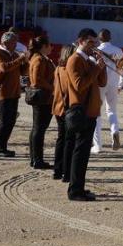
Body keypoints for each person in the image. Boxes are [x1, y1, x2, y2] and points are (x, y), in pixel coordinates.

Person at [65, 28, 107, 201]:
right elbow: (79, 85)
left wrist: (100, 67)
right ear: (80, 41)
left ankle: (79, 188)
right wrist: (96, 68)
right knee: (80, 153)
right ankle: (75, 190)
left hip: (89, 111)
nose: (94, 45)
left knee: (83, 154)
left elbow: (102, 82)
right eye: (90, 42)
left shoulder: (88, 60)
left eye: (95, 42)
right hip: (81, 110)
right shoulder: (74, 60)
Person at [0, 32, 29, 157]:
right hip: (3, 92)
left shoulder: (13, 54)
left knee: (11, 121)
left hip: (14, 92)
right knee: (5, 121)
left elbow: (22, 71)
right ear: (5, 42)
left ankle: (3, 146)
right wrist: (20, 59)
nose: (15, 45)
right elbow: (3, 67)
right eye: (13, 42)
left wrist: (26, 62)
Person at [92, 29, 123, 153]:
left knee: (96, 113)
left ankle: (98, 145)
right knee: (112, 111)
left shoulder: (95, 50)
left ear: (99, 39)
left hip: (100, 84)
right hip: (113, 83)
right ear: (110, 38)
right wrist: (120, 85)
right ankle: (115, 131)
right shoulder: (118, 50)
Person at [27, 36, 55, 169]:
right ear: (44, 46)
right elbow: (37, 80)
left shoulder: (38, 57)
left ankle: (35, 158)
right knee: (39, 129)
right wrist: (53, 88)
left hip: (41, 96)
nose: (51, 47)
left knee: (37, 128)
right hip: (43, 97)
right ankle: (37, 159)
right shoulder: (39, 59)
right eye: (49, 45)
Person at [52, 45, 74, 181]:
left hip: (58, 106)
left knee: (61, 139)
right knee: (68, 140)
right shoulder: (67, 70)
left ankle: (57, 170)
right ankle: (66, 171)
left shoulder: (58, 68)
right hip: (67, 107)